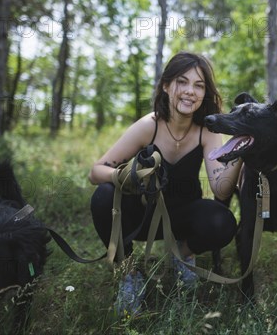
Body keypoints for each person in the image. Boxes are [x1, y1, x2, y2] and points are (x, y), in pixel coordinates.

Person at [88, 51, 241, 317]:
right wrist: (122, 176)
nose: (190, 91)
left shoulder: (207, 130)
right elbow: (95, 171)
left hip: (181, 217)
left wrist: (240, 153)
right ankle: (130, 275)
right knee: (103, 196)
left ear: (205, 93)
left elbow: (220, 189)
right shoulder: (150, 125)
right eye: (182, 82)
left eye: (199, 85)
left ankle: (181, 255)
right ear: (166, 86)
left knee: (222, 221)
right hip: (142, 218)